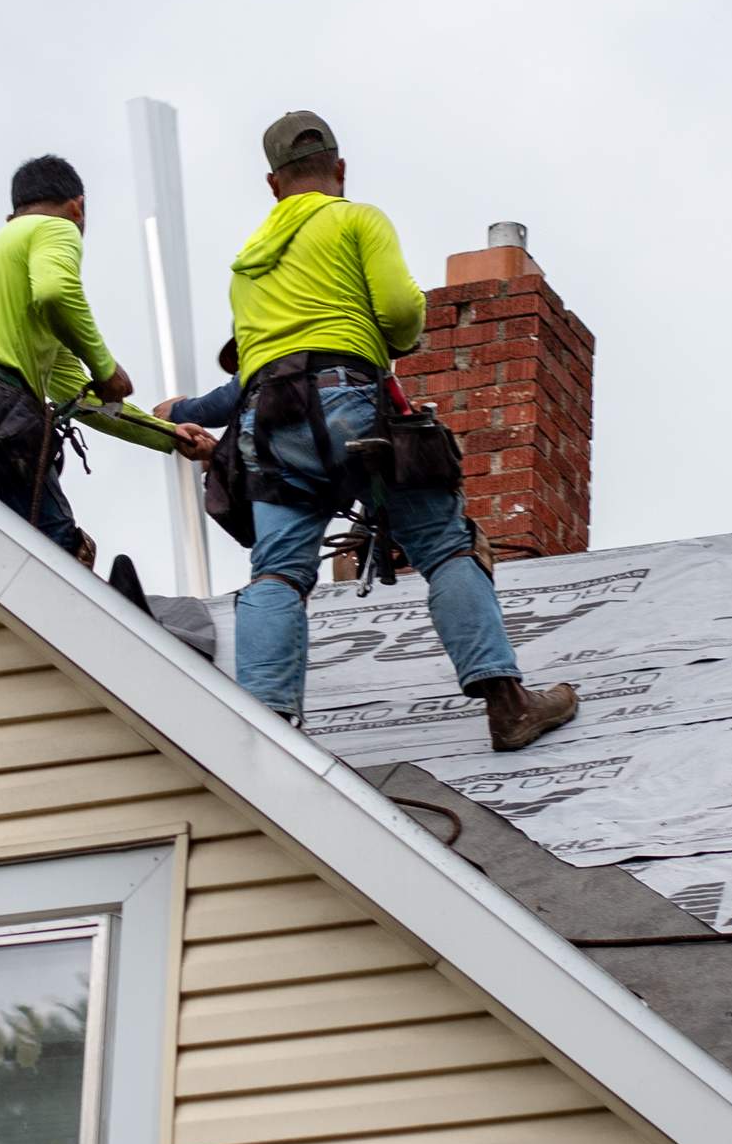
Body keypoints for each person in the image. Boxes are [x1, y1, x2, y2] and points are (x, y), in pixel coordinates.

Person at [178, 111, 578, 755]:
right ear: (339, 168)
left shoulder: (247, 264)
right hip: (349, 403)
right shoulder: (358, 219)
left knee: (277, 573)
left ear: (273, 184)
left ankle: (266, 732)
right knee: (445, 544)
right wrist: (386, 337)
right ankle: (508, 705)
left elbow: (254, 372)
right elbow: (398, 314)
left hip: (270, 420)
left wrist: (182, 411)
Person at [0, 153, 138, 562]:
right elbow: (56, 292)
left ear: (10, 217)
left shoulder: (1, 272)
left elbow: (88, 401)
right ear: (78, 207)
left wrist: (170, 436)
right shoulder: (57, 227)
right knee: (60, 552)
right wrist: (106, 369)